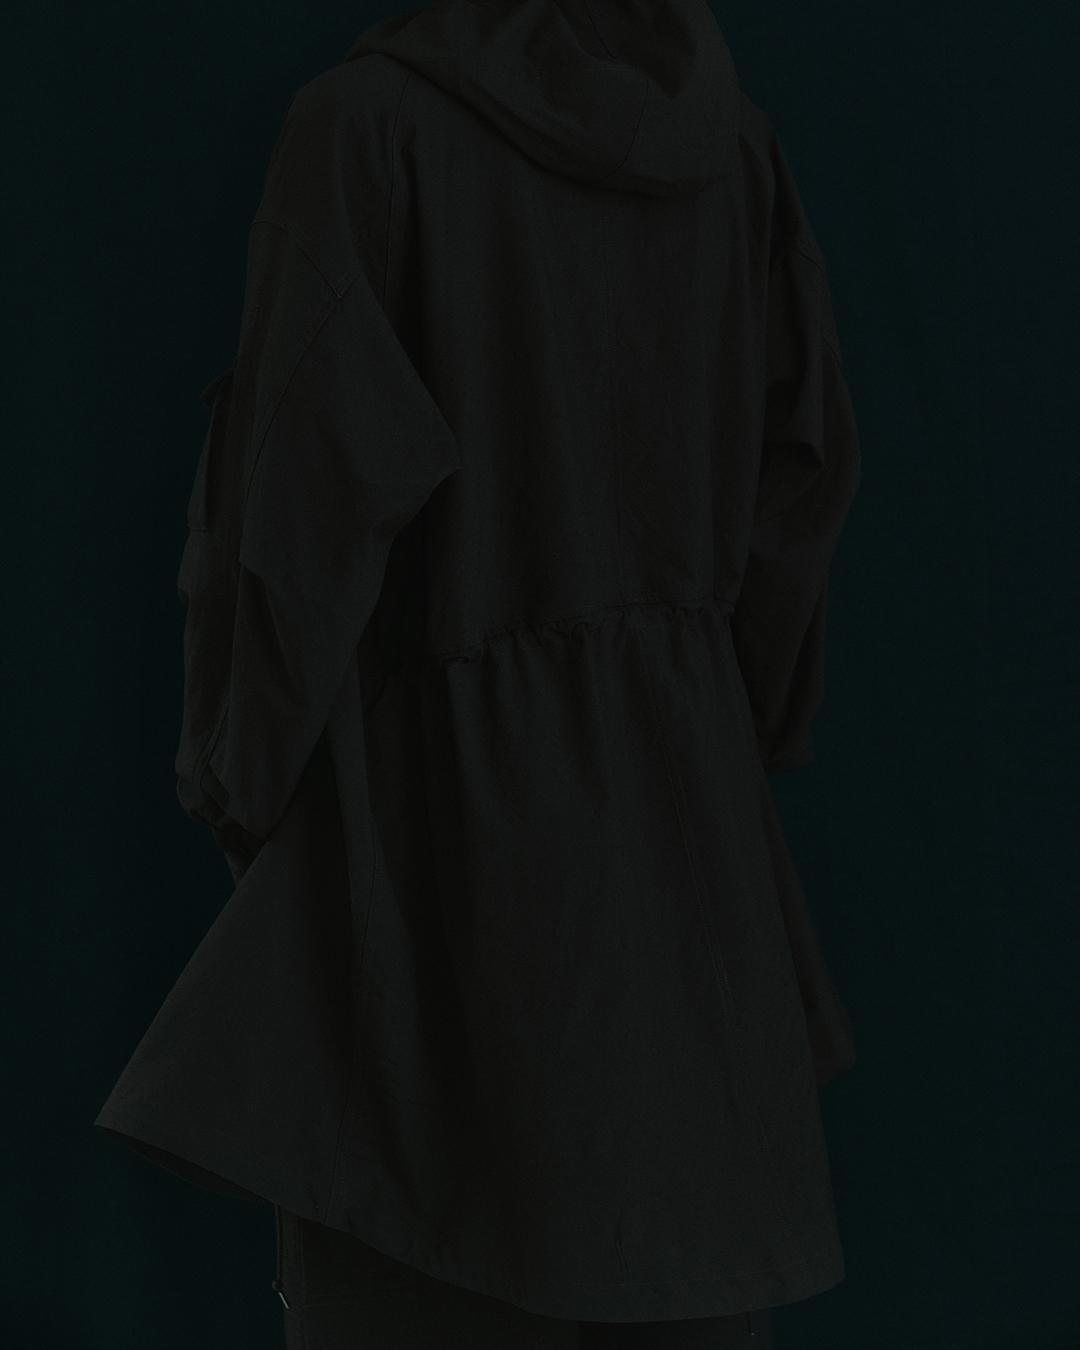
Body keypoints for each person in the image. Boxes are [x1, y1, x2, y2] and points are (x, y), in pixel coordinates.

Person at [94, 1, 861, 1345]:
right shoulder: (735, 149)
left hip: (435, 880)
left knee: (426, 1273)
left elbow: (296, 509)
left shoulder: (364, 130)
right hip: (690, 898)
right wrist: (708, 743)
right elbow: (799, 489)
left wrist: (241, 779)